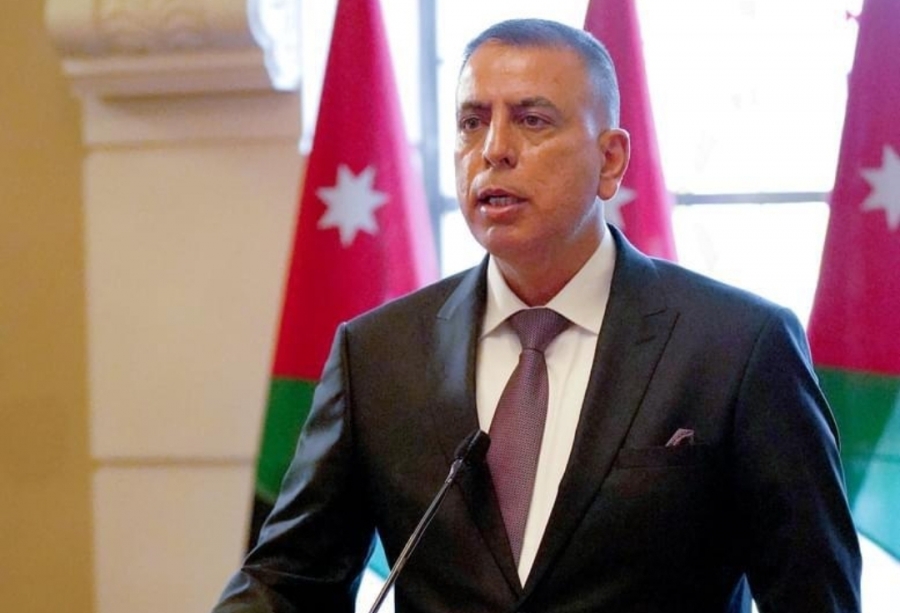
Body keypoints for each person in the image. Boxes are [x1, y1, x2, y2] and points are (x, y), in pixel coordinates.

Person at [212, 18, 861, 613]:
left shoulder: (738, 347)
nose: (493, 149)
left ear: (610, 160)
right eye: (472, 122)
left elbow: (815, 597)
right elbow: (286, 583)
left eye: (532, 120)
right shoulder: (377, 354)